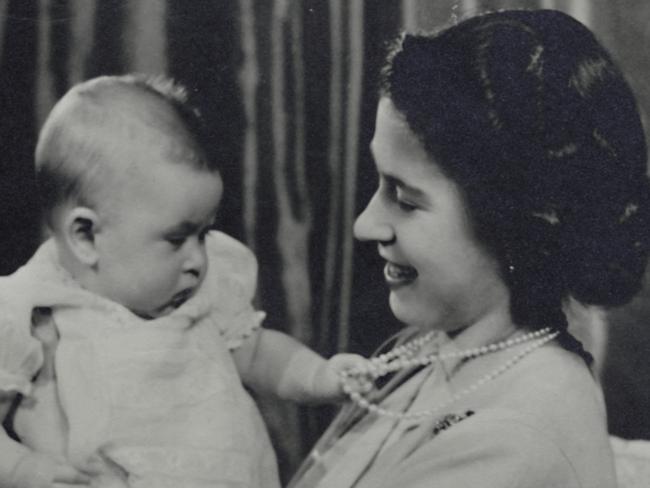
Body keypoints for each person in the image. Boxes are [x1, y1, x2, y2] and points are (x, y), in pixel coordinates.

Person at [289, 8, 650, 488]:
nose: (365, 225)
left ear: (514, 222)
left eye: (405, 199)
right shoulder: (445, 341)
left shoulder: (506, 443)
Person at [0, 75, 367, 488]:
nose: (197, 259)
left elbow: (259, 352)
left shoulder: (205, 291)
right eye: (177, 239)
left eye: (204, 234)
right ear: (86, 236)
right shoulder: (31, 309)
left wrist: (322, 376)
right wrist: (23, 469)